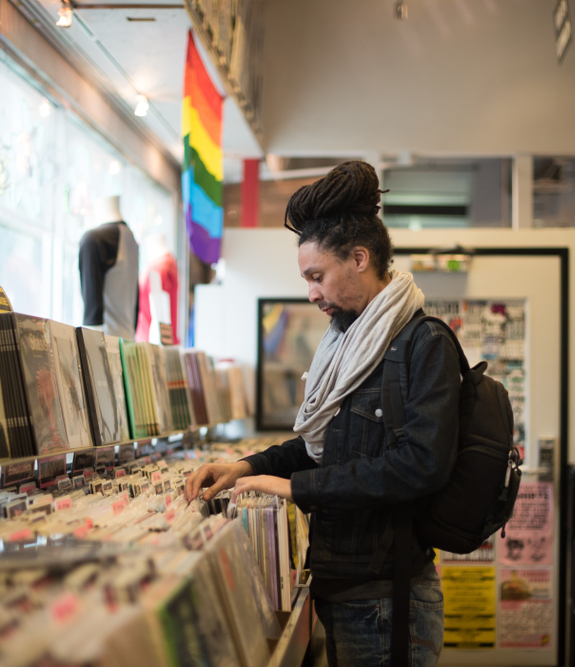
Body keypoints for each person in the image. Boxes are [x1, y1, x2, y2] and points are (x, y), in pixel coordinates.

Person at [185, 161, 459, 667]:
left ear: (359, 258)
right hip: (343, 590)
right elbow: (322, 448)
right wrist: (246, 468)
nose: (310, 293)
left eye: (317, 276)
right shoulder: (347, 343)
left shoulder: (424, 343)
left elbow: (420, 465)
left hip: (387, 598)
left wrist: (294, 489)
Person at [78, 196, 139, 340]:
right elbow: (136, 305)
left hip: (105, 345)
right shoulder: (132, 239)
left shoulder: (93, 240)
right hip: (128, 343)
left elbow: (92, 314)